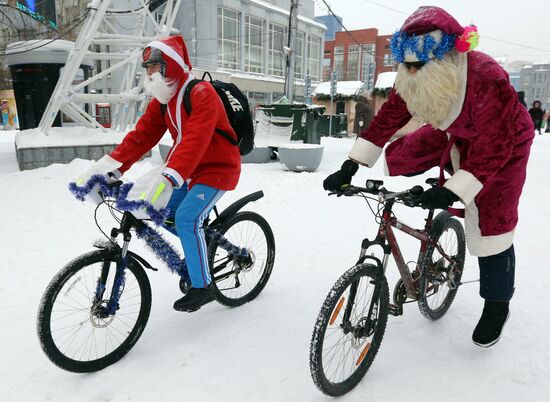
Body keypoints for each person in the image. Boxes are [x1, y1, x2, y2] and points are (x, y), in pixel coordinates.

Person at [323, 6, 534, 348]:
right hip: (456, 131)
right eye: (409, 66)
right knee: (403, 153)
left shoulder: (486, 77)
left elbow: (494, 144)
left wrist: (452, 191)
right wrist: (351, 165)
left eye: (420, 65)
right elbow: (389, 116)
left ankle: (497, 303)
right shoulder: (415, 76)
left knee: (492, 221)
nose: (413, 72)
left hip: (505, 141)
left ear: (447, 55)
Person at [78, 35, 241, 312]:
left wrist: (171, 176)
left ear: (171, 65)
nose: (150, 73)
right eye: (147, 68)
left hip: (217, 169)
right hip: (187, 170)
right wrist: (106, 169)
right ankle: (199, 245)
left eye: (155, 66)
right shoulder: (164, 100)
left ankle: (203, 287)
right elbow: (141, 137)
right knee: (160, 212)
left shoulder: (202, 93)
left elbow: (194, 139)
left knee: (187, 217)